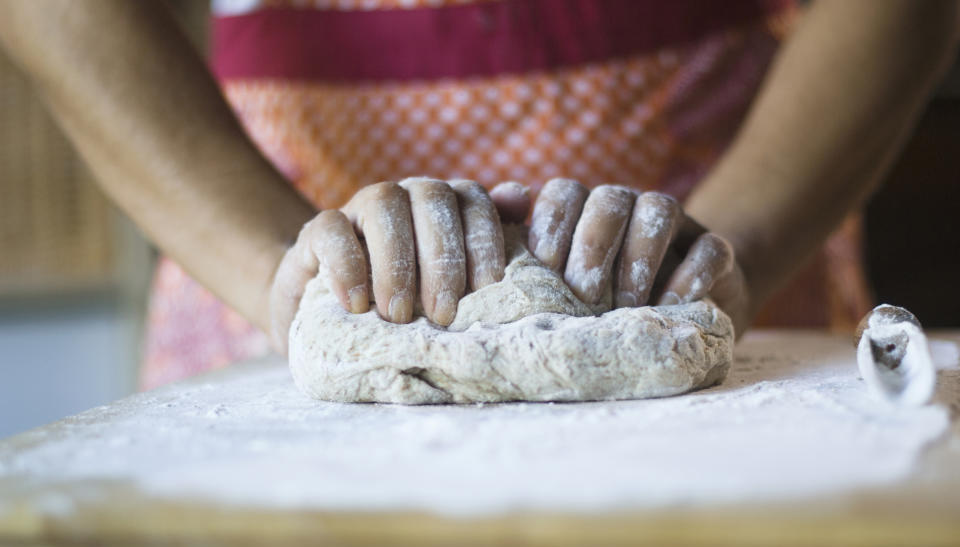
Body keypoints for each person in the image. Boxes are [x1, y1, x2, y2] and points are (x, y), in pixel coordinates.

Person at [0, 0, 956, 388]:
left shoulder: (714, 261)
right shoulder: (281, 271)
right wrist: (277, 272)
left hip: (709, 231)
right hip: (264, 246)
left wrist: (736, 244)